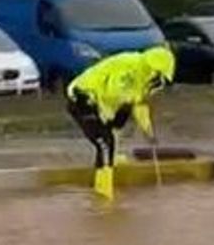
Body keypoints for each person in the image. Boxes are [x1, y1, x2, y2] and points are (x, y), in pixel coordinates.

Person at [66, 46, 176, 200]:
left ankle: (112, 158)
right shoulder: (129, 68)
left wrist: (148, 131)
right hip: (82, 98)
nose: (159, 83)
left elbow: (139, 104)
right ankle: (103, 192)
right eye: (159, 77)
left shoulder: (145, 79)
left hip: (104, 104)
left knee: (121, 117)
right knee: (105, 142)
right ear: (153, 69)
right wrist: (106, 119)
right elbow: (113, 94)